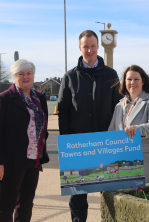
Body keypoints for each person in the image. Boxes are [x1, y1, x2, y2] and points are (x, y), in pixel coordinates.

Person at [58, 30, 122, 222]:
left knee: (110, 192)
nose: (90, 50)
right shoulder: (69, 77)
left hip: (106, 143)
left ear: (98, 47)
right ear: (80, 48)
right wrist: (67, 142)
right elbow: (63, 112)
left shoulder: (111, 75)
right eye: (86, 46)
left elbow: (118, 108)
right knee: (78, 195)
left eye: (93, 46)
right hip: (79, 145)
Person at [0, 59, 49, 222]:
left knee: (26, 204)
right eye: (21, 74)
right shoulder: (4, 98)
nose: (25, 77)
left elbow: (43, 125)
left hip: (33, 160)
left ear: (33, 75)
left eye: (28, 73)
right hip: (9, 162)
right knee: (6, 205)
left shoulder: (40, 98)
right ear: (14, 76)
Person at [108, 65, 149, 183]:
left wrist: (136, 129)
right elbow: (112, 131)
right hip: (126, 164)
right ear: (125, 82)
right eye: (129, 79)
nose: (132, 82)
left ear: (143, 81)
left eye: (136, 79)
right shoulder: (119, 105)